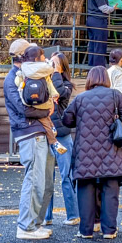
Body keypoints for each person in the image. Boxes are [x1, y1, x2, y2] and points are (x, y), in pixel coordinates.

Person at [60, 65, 122, 240]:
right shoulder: (115, 95)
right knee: (110, 190)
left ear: (89, 80)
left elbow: (67, 120)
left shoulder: (81, 98)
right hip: (111, 151)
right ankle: (109, 230)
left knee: (85, 188)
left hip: (85, 153)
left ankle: (86, 231)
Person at [4, 41, 55, 239]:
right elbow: (23, 109)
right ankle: (26, 227)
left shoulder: (27, 75)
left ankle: (34, 224)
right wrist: (47, 110)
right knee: (34, 181)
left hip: (38, 132)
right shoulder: (13, 79)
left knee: (43, 182)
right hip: (30, 133)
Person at [47, 51, 78, 227]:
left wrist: (56, 73)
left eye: (54, 63)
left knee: (66, 175)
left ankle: (73, 215)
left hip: (63, 135)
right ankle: (46, 216)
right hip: (47, 134)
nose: (51, 66)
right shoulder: (44, 82)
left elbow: (58, 93)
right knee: (47, 178)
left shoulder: (66, 85)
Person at [85, 0, 116, 67]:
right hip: (98, 20)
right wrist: (113, 8)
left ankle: (92, 68)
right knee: (100, 46)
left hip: (91, 19)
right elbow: (104, 8)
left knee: (93, 46)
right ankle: (99, 69)